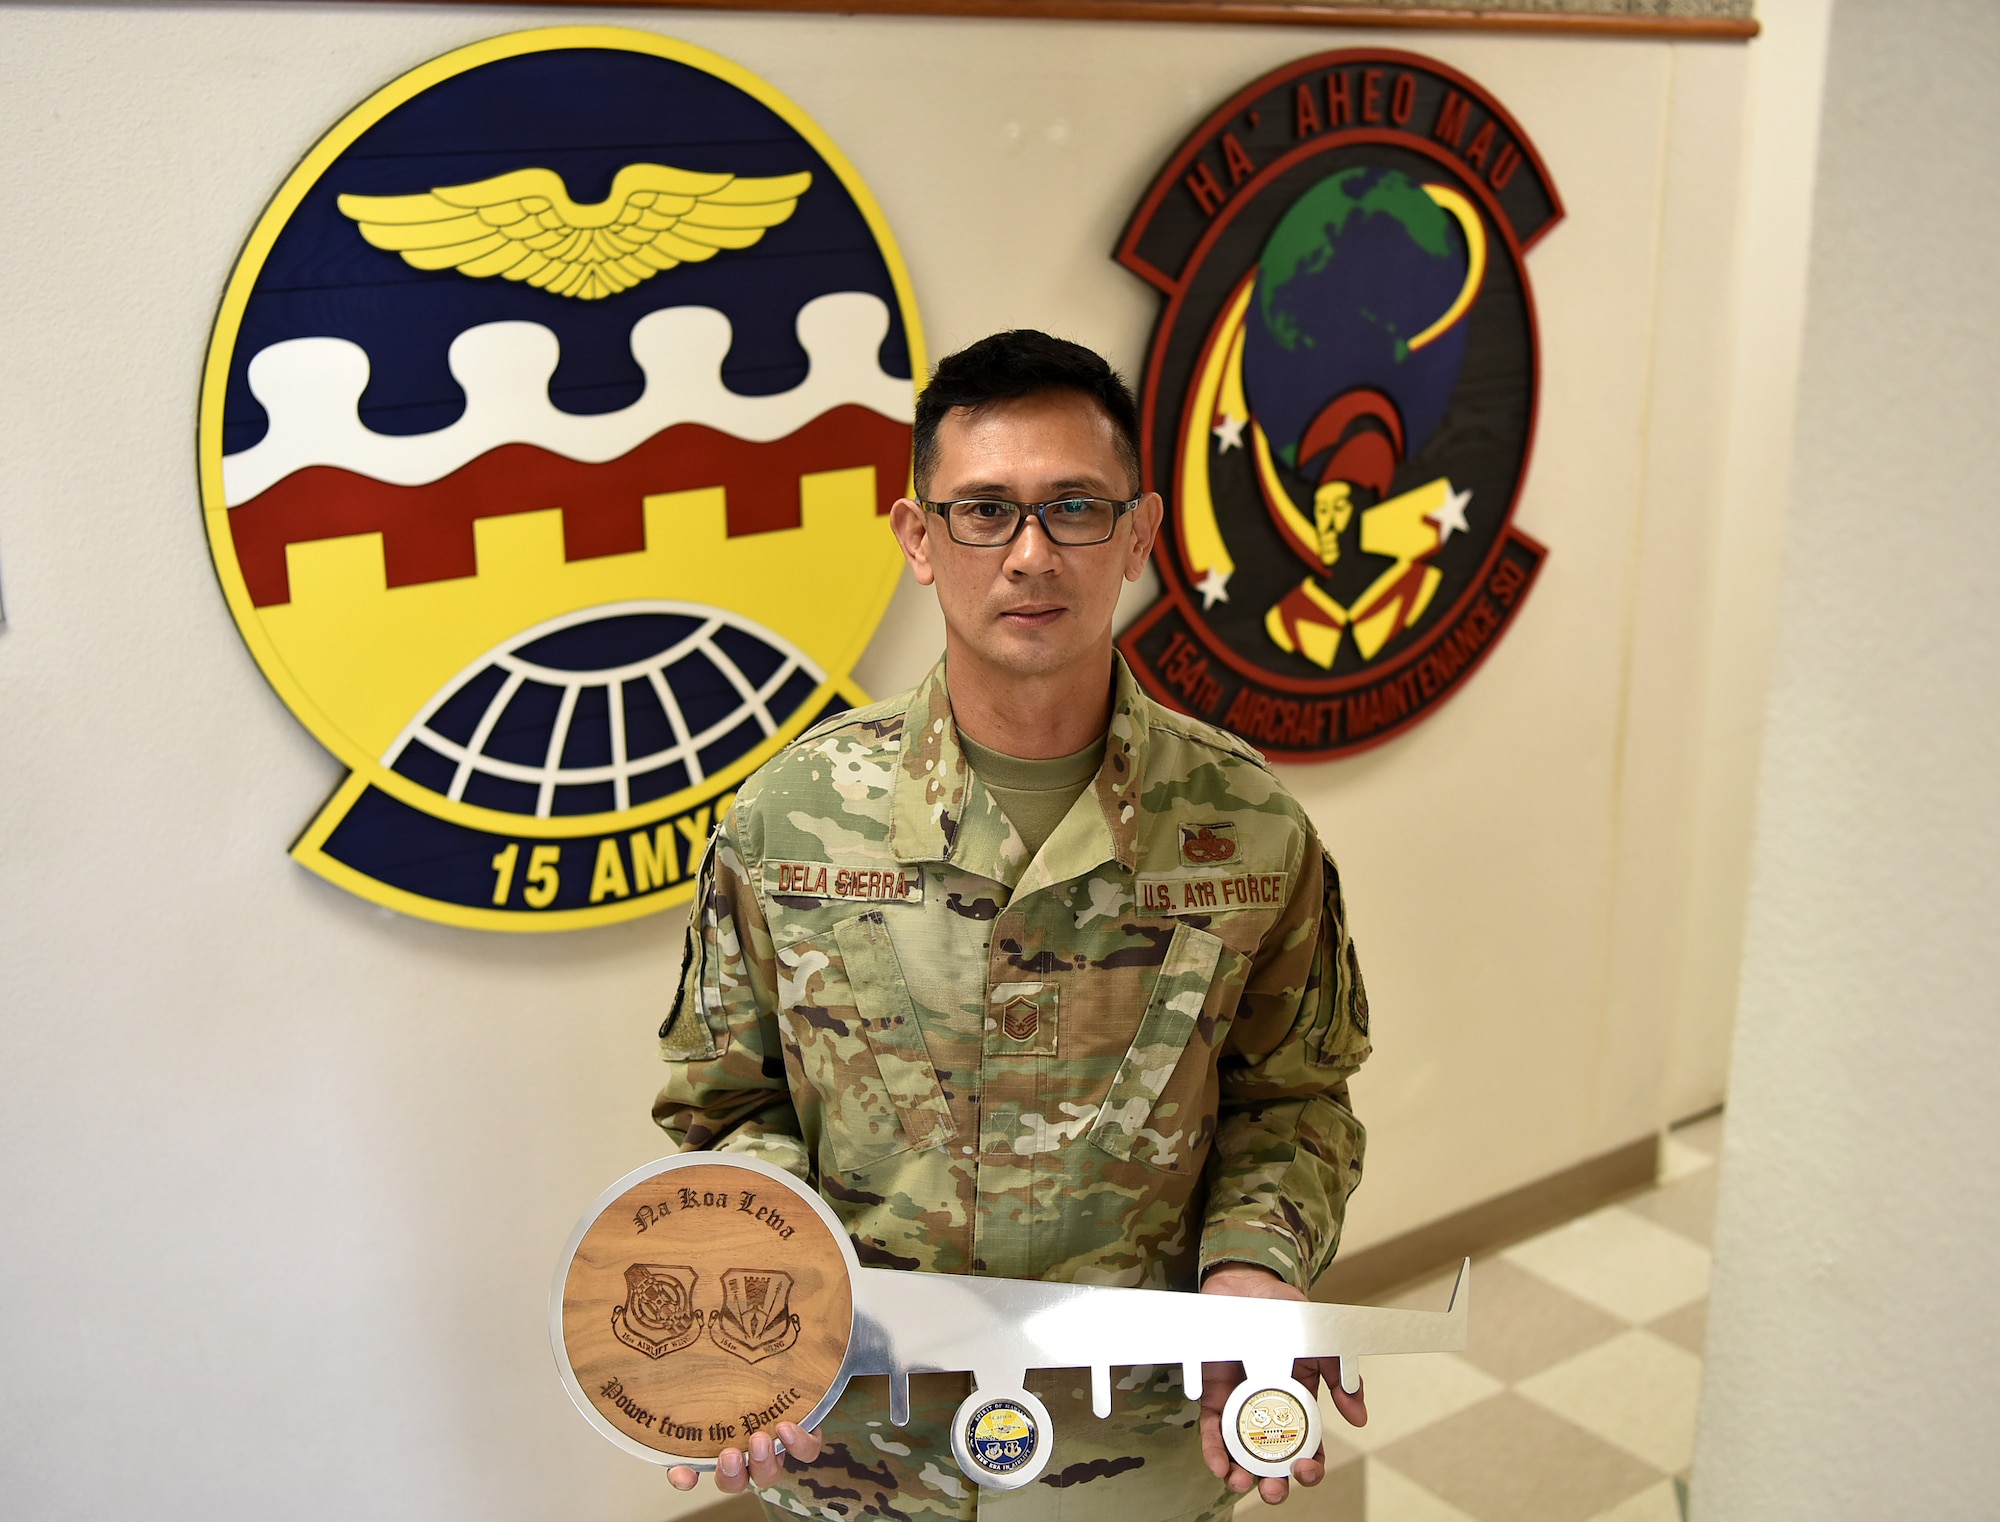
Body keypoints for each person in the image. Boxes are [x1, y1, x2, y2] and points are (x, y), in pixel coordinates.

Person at [653, 330, 1372, 1522]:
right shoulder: (789, 820)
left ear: (1139, 535)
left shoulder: (1246, 826)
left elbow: (1289, 1098)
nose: (1030, 553)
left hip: (1135, 1439)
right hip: (859, 1437)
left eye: (1072, 508)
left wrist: (1255, 1265)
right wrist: (754, 1303)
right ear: (916, 538)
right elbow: (728, 1103)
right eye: (983, 509)